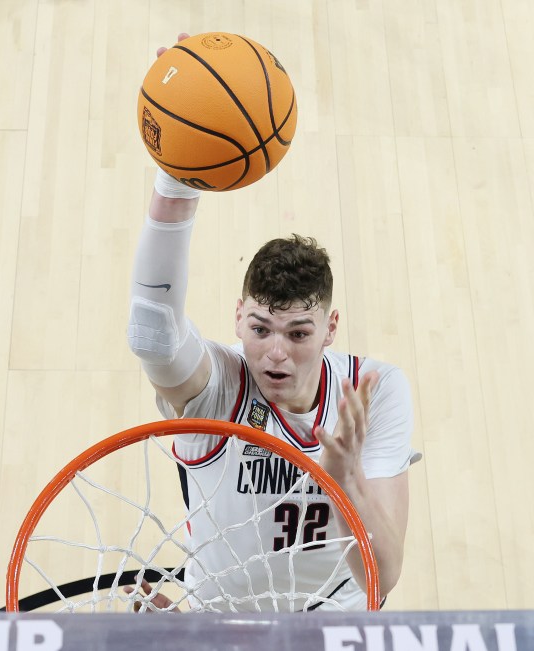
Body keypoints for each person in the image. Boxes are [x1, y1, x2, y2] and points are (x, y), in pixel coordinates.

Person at [124, 37, 418, 612]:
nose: (275, 354)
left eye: (298, 334)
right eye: (259, 329)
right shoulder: (219, 387)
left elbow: (381, 578)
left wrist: (343, 480)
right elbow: (153, 335)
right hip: (218, 627)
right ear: (238, 317)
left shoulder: (371, 393)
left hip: (334, 629)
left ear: (330, 328)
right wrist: (176, 179)